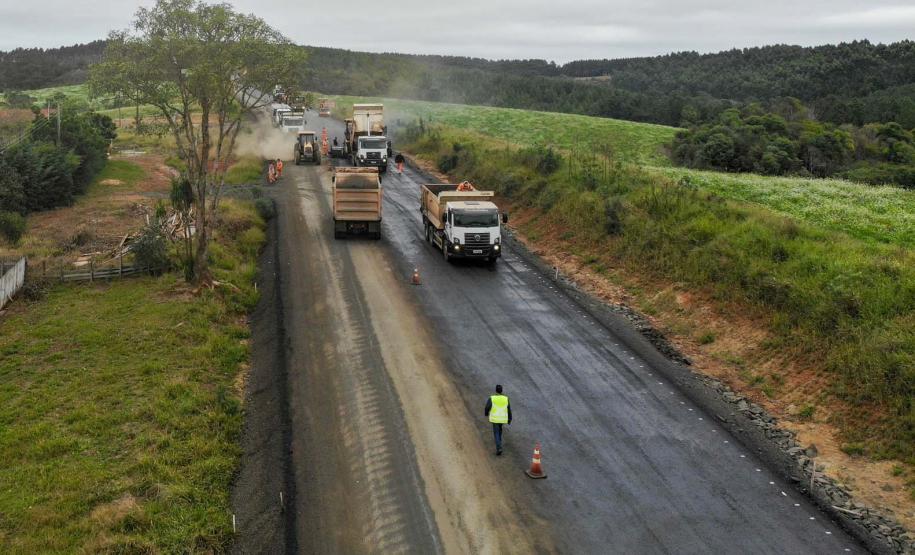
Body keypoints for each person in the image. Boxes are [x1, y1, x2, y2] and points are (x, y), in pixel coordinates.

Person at [484, 385, 511, 455]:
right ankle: (499, 442)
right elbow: (508, 409)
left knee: (496, 433)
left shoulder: (492, 398)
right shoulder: (506, 399)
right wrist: (509, 418)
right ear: (502, 391)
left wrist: (486, 413)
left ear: (496, 390)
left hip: (495, 419)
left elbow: (487, 407)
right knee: (500, 430)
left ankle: (499, 448)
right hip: (502, 419)